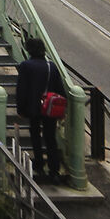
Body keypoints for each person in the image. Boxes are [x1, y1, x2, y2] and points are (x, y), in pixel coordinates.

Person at [16, 36, 65, 184]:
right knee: (50, 138)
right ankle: (54, 171)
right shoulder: (52, 66)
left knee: (35, 135)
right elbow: (60, 90)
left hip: (34, 108)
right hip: (50, 108)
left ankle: (39, 164)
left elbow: (22, 89)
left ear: (29, 50)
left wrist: (21, 108)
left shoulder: (26, 66)